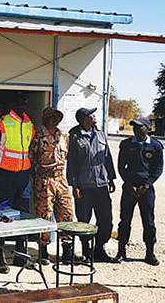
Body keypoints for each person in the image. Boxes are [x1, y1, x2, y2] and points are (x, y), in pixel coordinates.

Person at [0, 101, 35, 274]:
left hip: (23, 175)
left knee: (22, 214)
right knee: (2, 216)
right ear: (13, 106)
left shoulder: (29, 124)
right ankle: (0, 258)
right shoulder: (3, 123)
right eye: (21, 103)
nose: (24, 106)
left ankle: (20, 254)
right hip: (4, 175)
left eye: (25, 104)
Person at [67, 107, 116, 262]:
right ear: (83, 119)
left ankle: (100, 249)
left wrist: (111, 178)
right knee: (84, 221)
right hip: (83, 186)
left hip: (101, 185)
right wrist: (74, 185)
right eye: (91, 115)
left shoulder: (100, 134)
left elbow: (107, 157)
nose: (94, 116)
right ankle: (86, 252)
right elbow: (72, 163)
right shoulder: (74, 136)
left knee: (106, 220)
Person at [29, 107, 75, 264]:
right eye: (51, 117)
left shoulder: (64, 137)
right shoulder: (38, 137)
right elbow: (31, 158)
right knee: (44, 216)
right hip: (44, 180)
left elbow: (68, 156)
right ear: (45, 120)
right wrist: (38, 174)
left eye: (56, 117)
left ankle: (67, 251)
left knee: (66, 213)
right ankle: (43, 252)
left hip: (61, 180)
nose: (54, 120)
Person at [114, 117, 163, 266]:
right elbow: (122, 166)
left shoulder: (155, 146)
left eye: (139, 127)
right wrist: (128, 183)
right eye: (134, 127)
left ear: (147, 128)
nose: (136, 129)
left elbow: (158, 168)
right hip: (129, 188)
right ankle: (121, 252)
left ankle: (150, 252)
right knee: (125, 221)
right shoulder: (127, 144)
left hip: (146, 190)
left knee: (148, 222)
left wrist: (147, 185)